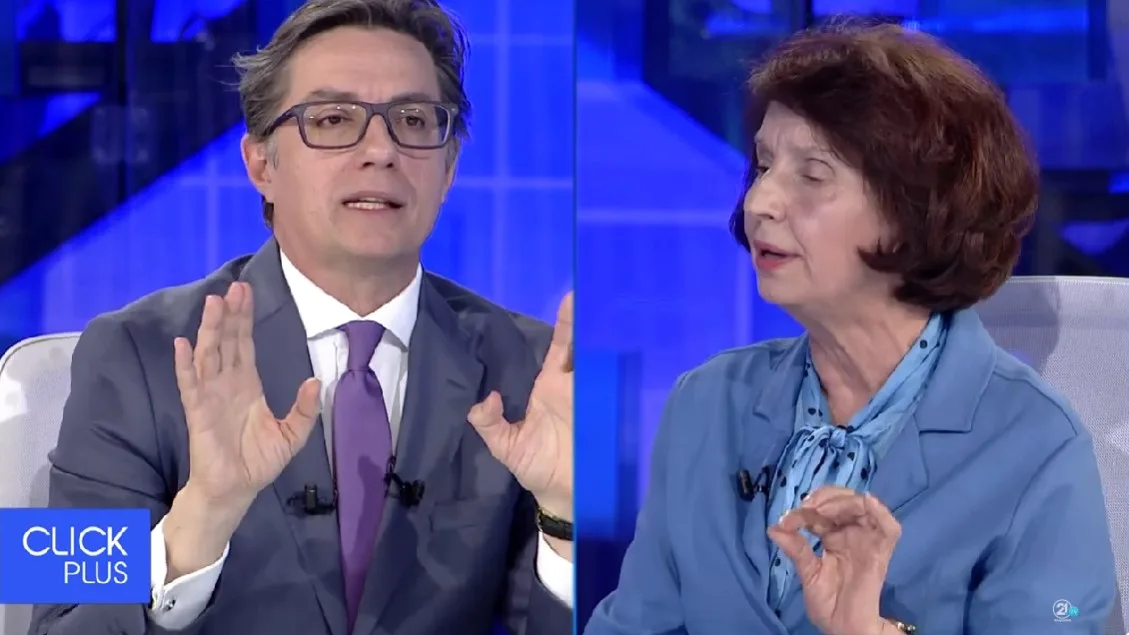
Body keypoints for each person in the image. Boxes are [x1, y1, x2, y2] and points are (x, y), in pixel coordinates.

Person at [28, 1, 574, 634]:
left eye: (413, 120)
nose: (382, 150)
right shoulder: (130, 355)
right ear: (261, 164)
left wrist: (564, 520)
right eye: (334, 119)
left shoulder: (530, 372)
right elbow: (58, 622)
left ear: (448, 168)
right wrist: (203, 516)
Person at [584, 21, 1116, 635]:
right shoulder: (706, 403)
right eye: (763, 165)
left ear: (915, 211)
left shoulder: (1036, 445)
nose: (759, 202)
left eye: (812, 175)